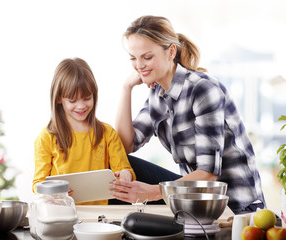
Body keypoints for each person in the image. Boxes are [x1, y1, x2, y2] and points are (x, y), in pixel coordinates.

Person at [110, 15, 265, 214]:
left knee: (143, 189)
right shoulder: (157, 94)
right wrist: (126, 88)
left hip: (235, 206)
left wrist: (154, 192)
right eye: (133, 58)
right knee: (123, 170)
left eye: (147, 57)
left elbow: (208, 175)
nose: (139, 65)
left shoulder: (203, 90)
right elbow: (124, 146)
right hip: (196, 200)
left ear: (171, 52)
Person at [33, 57, 136, 205]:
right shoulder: (46, 137)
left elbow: (125, 170)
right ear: (59, 99)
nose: (81, 106)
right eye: (73, 101)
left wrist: (126, 176)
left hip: (99, 216)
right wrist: (53, 193)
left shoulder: (107, 133)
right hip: (62, 213)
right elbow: (38, 183)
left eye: (87, 98)